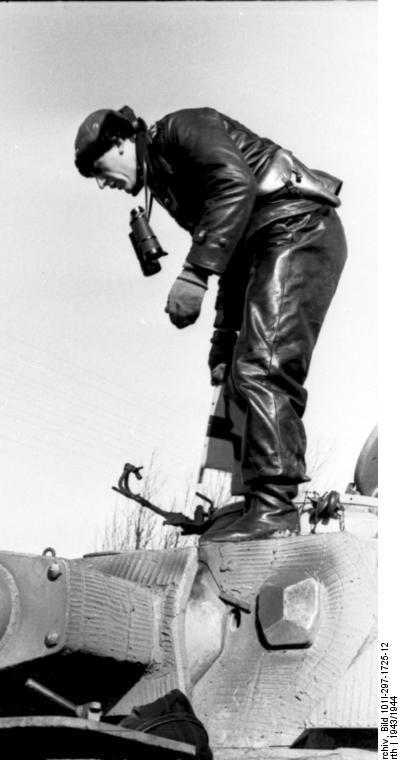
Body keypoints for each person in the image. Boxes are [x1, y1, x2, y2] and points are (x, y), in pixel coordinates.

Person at [74, 105, 347, 540]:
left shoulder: (183, 129)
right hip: (269, 241)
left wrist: (194, 272)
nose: (103, 182)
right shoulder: (166, 180)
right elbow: (234, 256)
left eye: (98, 169)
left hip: (298, 227)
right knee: (243, 373)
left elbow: (236, 183)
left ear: (122, 143)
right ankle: (262, 504)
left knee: (263, 366)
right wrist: (222, 344)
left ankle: (274, 508)